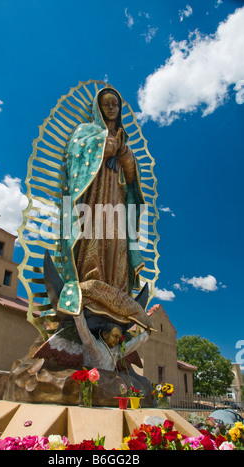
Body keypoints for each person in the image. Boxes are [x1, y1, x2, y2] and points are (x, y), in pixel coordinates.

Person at [58, 87, 154, 331]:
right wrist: (106, 146)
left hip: (118, 200)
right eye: (107, 104)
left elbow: (133, 182)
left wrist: (127, 159)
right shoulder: (86, 132)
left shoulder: (125, 142)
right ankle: (90, 287)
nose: (112, 108)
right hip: (95, 198)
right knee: (95, 237)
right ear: (97, 107)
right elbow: (74, 159)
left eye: (116, 104)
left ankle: (117, 292)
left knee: (118, 241)